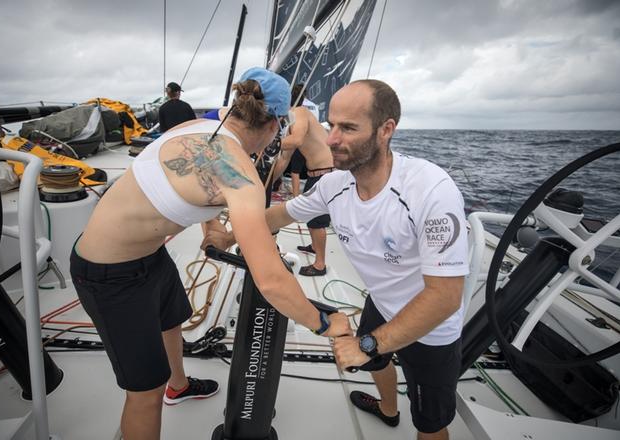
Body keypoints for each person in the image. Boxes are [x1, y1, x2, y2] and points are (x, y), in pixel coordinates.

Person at [70, 67, 351, 440]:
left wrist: (214, 229)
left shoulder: (194, 125)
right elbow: (269, 279)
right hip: (108, 272)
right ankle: (164, 389)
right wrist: (325, 323)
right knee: (143, 393)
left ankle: (179, 385)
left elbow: (197, 185)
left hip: (149, 256)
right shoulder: (242, 177)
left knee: (171, 321)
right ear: (274, 127)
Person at [264, 79, 468, 440]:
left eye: (348, 128)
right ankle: (388, 409)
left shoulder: (430, 190)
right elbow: (282, 215)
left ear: (386, 130)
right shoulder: (334, 184)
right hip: (381, 299)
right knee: (378, 361)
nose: (330, 140)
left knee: (430, 424)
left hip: (432, 327)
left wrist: (366, 344)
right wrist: (230, 229)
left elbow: (445, 297)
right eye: (330, 125)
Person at [271, 84, 334, 276]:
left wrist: (266, 143)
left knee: (316, 220)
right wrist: (267, 182)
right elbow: (285, 158)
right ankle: (315, 247)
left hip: (327, 173)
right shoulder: (292, 122)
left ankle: (320, 265)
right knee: (311, 217)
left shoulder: (300, 112)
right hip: (318, 173)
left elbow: (297, 141)